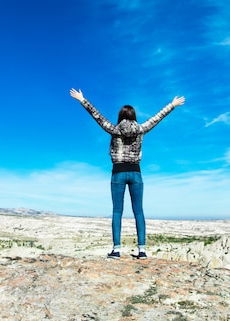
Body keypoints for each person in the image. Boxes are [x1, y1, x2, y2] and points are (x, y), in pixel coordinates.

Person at [70, 88, 185, 259]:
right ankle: (142, 250)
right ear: (134, 116)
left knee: (117, 211)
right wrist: (172, 105)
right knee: (138, 211)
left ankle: (116, 250)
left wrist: (82, 99)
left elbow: (97, 116)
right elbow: (157, 117)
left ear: (121, 116)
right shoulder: (141, 129)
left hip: (118, 173)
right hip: (136, 173)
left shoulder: (114, 129)